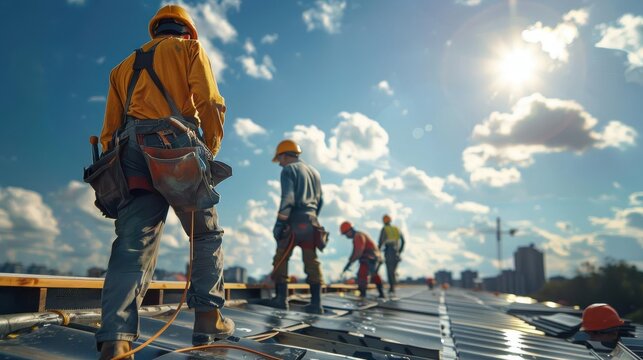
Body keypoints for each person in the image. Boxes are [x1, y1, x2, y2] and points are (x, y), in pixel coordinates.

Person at [94, 5, 233, 359]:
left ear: (156, 30)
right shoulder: (188, 50)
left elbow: (108, 133)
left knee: (132, 243)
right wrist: (210, 150)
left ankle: (117, 339)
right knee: (203, 234)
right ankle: (208, 320)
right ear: (187, 31)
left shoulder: (120, 69)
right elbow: (210, 102)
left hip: (131, 154)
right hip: (176, 145)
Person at [269, 139, 325, 314]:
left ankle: (281, 300)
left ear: (284, 155)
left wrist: (279, 224)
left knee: (281, 258)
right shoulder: (314, 172)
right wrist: (313, 217)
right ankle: (316, 304)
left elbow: (288, 199)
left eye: (280, 159)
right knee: (311, 262)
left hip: (294, 222)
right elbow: (321, 200)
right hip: (312, 221)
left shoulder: (288, 170)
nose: (280, 164)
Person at [340, 221, 386, 298]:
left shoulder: (358, 236)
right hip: (371, 257)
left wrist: (349, 263)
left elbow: (358, 252)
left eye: (345, 234)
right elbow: (355, 252)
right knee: (369, 274)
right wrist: (349, 262)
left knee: (363, 274)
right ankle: (373, 293)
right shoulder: (358, 236)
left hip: (371, 257)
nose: (346, 236)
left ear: (350, 230)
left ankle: (364, 294)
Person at [378, 214, 405, 294]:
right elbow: (403, 241)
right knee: (393, 270)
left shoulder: (384, 229)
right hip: (396, 251)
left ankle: (392, 288)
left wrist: (378, 252)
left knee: (389, 270)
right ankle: (393, 285)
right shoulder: (396, 229)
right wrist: (399, 251)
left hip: (389, 251)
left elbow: (380, 242)